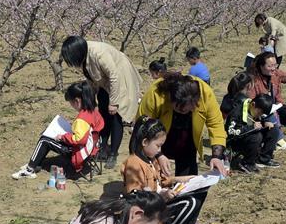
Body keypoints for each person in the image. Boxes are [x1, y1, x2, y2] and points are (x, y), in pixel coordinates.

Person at [60, 36, 141, 169]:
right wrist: (92, 102)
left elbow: (114, 76)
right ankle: (102, 148)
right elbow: (91, 78)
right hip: (104, 82)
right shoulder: (84, 56)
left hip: (120, 79)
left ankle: (113, 153)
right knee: (103, 114)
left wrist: (114, 102)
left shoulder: (99, 54)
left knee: (116, 116)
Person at [122, 116, 208, 224]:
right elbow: (135, 195)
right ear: (145, 142)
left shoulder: (151, 159)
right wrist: (161, 196)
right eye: (158, 146)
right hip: (150, 208)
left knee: (197, 196)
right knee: (190, 203)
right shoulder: (134, 163)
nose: (160, 150)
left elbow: (162, 181)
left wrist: (185, 179)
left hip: (160, 201)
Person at [137, 72, 228, 177]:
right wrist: (158, 154)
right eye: (179, 109)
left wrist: (216, 156)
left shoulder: (205, 94)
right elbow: (143, 125)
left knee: (188, 177)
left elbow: (216, 124)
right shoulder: (156, 93)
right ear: (170, 98)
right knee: (155, 175)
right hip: (158, 137)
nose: (183, 111)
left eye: (188, 109)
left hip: (187, 139)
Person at [12, 81, 104, 180]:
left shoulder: (82, 118)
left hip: (79, 152)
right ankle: (36, 164)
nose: (71, 106)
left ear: (77, 101)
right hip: (93, 147)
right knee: (48, 138)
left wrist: (63, 137)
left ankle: (29, 170)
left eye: (71, 103)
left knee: (44, 140)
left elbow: (79, 140)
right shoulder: (94, 111)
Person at [248, 51, 286, 150]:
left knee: (285, 111)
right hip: (259, 111)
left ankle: (274, 133)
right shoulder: (254, 80)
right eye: (270, 66)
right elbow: (250, 104)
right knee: (271, 115)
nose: (273, 68)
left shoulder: (275, 73)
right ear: (261, 66)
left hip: (275, 105)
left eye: (275, 65)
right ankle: (278, 140)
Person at [226, 94, 280, 172]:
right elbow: (231, 132)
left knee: (273, 130)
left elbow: (258, 121)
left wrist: (264, 123)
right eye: (259, 113)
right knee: (256, 136)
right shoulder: (236, 111)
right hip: (235, 141)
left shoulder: (255, 108)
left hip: (250, 135)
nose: (260, 115)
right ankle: (247, 163)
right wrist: (251, 127)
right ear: (253, 104)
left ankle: (263, 159)